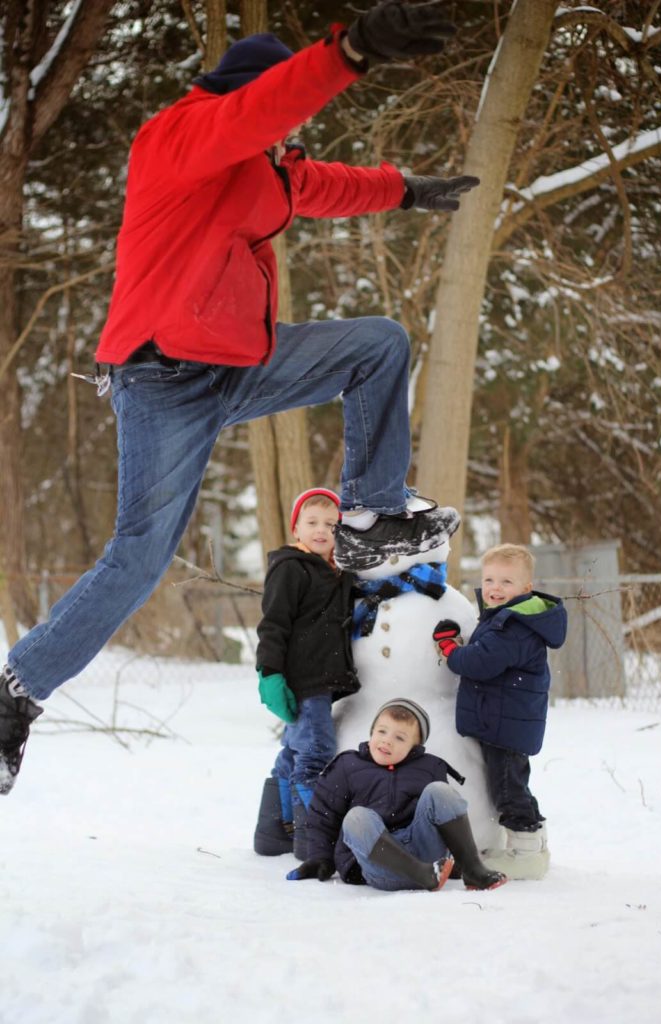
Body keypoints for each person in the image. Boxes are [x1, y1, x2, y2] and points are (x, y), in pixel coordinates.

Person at [0, 2, 481, 795]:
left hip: (236, 363)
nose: (282, 143)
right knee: (136, 559)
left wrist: (402, 190)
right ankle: (18, 690)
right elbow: (265, 107)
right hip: (160, 378)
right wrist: (350, 51)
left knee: (377, 343)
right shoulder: (182, 137)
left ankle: (367, 513)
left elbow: (314, 185)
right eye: (274, 126)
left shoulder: (264, 163)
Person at [432, 543, 568, 879]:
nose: (494, 588)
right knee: (514, 784)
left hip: (506, 726)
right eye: (490, 579)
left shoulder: (513, 626)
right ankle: (534, 843)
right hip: (507, 720)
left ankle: (524, 853)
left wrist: (450, 649)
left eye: (506, 582)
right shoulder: (508, 619)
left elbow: (479, 663)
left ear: (525, 588)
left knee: (508, 789)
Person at [287, 698, 507, 892]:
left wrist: (456, 861)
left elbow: (442, 815)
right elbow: (323, 815)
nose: (387, 741)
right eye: (382, 731)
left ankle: (473, 869)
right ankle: (420, 875)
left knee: (440, 791)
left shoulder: (429, 767)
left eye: (400, 738)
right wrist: (319, 857)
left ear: (414, 747)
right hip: (376, 864)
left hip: (423, 852)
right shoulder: (348, 765)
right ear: (372, 732)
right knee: (356, 817)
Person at [253, 487, 359, 859]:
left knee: (292, 752)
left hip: (323, 678)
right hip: (304, 677)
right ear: (296, 527)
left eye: (331, 524)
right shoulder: (290, 569)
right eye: (312, 522)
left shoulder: (335, 572)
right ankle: (314, 839)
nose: (321, 530)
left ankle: (274, 832)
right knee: (316, 751)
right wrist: (269, 672)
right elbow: (273, 624)